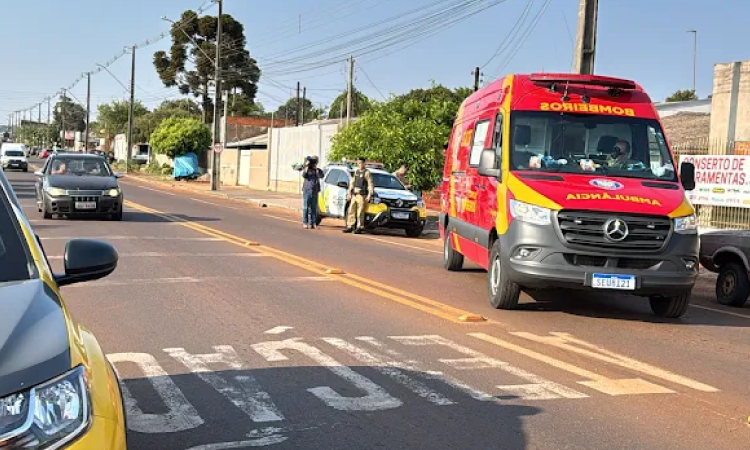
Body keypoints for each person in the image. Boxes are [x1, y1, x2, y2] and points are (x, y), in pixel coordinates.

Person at [343, 157, 374, 234]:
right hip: (354, 195)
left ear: (364, 163)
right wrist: (349, 192)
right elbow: (352, 183)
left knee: (360, 212)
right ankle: (350, 226)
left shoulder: (366, 173)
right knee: (351, 210)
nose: (359, 164)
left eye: (361, 163)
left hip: (361, 195)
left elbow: (370, 184)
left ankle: (359, 227)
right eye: (358, 163)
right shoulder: (356, 172)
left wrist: (369, 194)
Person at [301, 156, 324, 229]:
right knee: (306, 208)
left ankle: (313, 223)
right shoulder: (307, 169)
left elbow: (322, 176)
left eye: (315, 162)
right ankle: (305, 222)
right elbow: (304, 175)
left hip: (315, 191)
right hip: (307, 190)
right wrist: (307, 166)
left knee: (314, 208)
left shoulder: (317, 170)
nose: (314, 163)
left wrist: (316, 170)